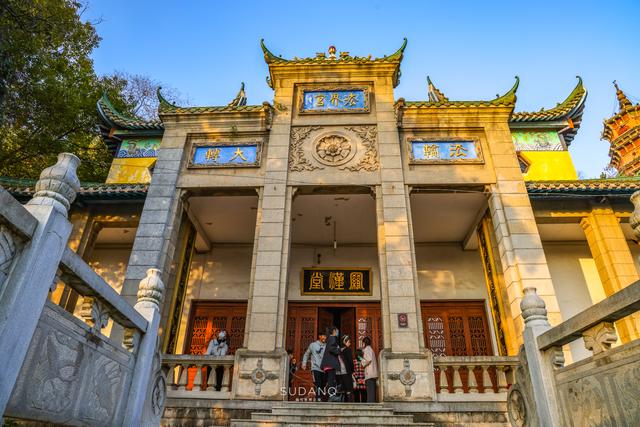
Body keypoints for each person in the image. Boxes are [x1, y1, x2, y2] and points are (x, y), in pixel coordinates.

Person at [302, 332, 327, 401]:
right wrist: (304, 363)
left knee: (323, 384)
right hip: (315, 368)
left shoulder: (326, 346)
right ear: (319, 336)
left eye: (325, 336)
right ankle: (318, 398)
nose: (325, 338)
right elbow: (306, 354)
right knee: (318, 383)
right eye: (323, 336)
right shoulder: (313, 345)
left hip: (324, 368)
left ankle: (319, 397)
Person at [320, 326, 341, 402]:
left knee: (330, 380)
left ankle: (331, 395)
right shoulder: (332, 338)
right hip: (331, 363)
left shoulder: (329, 338)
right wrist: (339, 350)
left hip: (328, 363)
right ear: (334, 331)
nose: (337, 332)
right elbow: (331, 348)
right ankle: (331, 396)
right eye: (336, 330)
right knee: (331, 380)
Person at [361, 336, 378, 402]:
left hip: (369, 373)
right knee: (371, 389)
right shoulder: (370, 349)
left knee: (370, 390)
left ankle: (370, 403)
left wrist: (362, 362)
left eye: (363, 343)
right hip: (372, 372)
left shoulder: (367, 349)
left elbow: (368, 359)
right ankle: (371, 402)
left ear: (364, 343)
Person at [338, 335, 354, 402]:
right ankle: (349, 402)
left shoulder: (339, 350)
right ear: (344, 342)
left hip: (340, 372)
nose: (349, 344)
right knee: (349, 387)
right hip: (347, 371)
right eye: (348, 342)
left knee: (343, 387)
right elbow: (350, 361)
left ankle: (343, 401)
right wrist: (352, 369)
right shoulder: (347, 350)